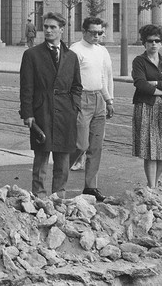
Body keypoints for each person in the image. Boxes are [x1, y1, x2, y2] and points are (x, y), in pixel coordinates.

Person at [19, 12, 82, 199]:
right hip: (42, 110)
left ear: (61, 29)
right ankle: (39, 195)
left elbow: (77, 86)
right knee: (41, 155)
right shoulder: (32, 55)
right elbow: (26, 87)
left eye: (52, 27)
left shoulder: (71, 56)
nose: (48, 30)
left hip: (65, 112)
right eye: (45, 26)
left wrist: (74, 106)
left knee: (63, 157)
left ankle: (59, 195)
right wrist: (28, 114)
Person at [68, 17, 114, 202]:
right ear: (83, 31)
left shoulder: (102, 51)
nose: (97, 36)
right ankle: (61, 173)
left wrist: (109, 100)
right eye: (93, 32)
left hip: (99, 100)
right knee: (81, 144)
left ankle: (90, 187)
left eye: (100, 33)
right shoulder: (75, 50)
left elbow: (103, 77)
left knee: (96, 147)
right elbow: (69, 79)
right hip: (82, 99)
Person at [132, 24, 162, 188]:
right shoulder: (139, 61)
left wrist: (156, 83)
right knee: (150, 151)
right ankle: (152, 188)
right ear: (144, 43)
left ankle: (153, 182)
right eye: (150, 41)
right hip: (146, 108)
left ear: (161, 43)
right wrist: (161, 91)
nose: (154, 44)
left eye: (157, 41)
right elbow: (140, 83)